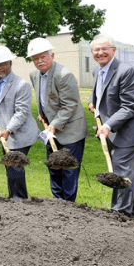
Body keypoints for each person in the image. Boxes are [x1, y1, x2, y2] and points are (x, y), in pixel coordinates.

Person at [87, 35, 134, 217]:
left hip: (133, 130)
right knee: (126, 171)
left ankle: (120, 213)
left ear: (113, 50)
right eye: (96, 50)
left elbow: (129, 106)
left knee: (121, 168)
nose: (100, 53)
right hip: (117, 130)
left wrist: (108, 125)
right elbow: (100, 93)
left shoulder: (127, 71)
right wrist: (93, 102)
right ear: (92, 53)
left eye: (104, 49)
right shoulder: (97, 71)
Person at [27, 37, 87, 202]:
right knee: (54, 166)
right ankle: (57, 202)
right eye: (35, 58)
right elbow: (43, 97)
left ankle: (68, 205)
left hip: (70, 131)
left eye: (43, 57)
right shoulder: (34, 75)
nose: (39, 61)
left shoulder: (63, 75)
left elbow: (70, 105)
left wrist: (54, 124)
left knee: (68, 170)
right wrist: (43, 114)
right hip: (51, 130)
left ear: (52, 56)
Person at [0, 45, 38, 199]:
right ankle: (13, 197)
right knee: (10, 165)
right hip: (5, 132)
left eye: (2, 64)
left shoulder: (21, 85)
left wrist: (8, 129)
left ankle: (20, 200)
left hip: (20, 133)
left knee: (15, 165)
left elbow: (22, 113)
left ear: (10, 63)